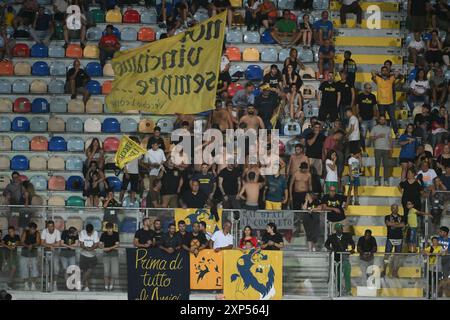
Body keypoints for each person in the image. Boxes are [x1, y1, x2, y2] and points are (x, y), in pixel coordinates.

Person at [371, 66, 402, 136]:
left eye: (386, 71)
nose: (384, 72)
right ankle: (382, 133)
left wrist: (389, 73)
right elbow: (372, 71)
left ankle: (396, 133)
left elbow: (397, 73)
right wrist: (380, 73)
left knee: (393, 118)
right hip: (381, 103)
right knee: (381, 119)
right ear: (381, 71)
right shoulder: (378, 79)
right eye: (383, 70)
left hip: (390, 103)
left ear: (388, 71)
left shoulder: (391, 79)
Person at [325, 223, 355, 296]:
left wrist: (352, 249)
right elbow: (326, 244)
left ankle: (348, 291)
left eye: (341, 228)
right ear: (336, 230)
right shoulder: (332, 237)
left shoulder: (347, 236)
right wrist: (331, 249)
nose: (341, 230)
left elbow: (352, 244)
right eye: (339, 229)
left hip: (345, 257)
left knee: (347, 275)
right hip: (336, 259)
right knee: (338, 276)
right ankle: (339, 291)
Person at [370, 115, 393, 186]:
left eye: (384, 119)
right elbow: (370, 137)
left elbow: (390, 139)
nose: (382, 121)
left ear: (385, 120)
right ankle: (376, 180)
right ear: (379, 120)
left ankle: (386, 180)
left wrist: (391, 148)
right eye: (381, 119)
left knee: (386, 165)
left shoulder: (388, 128)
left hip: (386, 149)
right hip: (378, 149)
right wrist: (378, 136)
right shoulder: (375, 128)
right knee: (377, 165)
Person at [384, 204, 405, 277]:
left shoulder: (402, 217)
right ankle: (384, 269)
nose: (395, 209)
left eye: (396, 208)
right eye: (393, 208)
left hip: (399, 238)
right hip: (390, 238)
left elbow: (403, 225)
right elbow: (388, 223)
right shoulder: (387, 216)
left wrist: (393, 225)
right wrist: (398, 224)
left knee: (398, 256)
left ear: (398, 209)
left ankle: (395, 271)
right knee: (387, 254)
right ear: (391, 209)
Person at [356, 83, 377, 151]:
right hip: (363, 119)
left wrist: (375, 116)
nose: (370, 89)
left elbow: (374, 107)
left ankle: (373, 148)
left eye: (371, 88)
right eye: (369, 88)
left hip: (371, 119)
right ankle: (363, 149)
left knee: (374, 135)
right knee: (363, 136)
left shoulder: (373, 96)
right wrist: (358, 116)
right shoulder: (360, 96)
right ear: (365, 88)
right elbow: (357, 107)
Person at [41, 220, 62, 291]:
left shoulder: (57, 232)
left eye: (51, 226)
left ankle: (55, 283)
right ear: (47, 227)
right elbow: (42, 243)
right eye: (49, 226)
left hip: (55, 252)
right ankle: (48, 284)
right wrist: (51, 246)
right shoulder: (44, 231)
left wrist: (49, 245)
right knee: (47, 269)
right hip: (46, 252)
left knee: (56, 269)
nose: (50, 228)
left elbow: (58, 244)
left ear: (54, 227)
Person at [20, 222, 41, 291]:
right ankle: (25, 284)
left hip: (34, 253)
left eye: (34, 229)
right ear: (29, 228)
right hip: (24, 253)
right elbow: (22, 241)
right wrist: (28, 246)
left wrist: (32, 245)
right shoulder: (25, 232)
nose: (33, 230)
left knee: (34, 269)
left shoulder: (37, 233)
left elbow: (38, 242)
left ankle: (33, 284)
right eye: (31, 229)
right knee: (24, 269)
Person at [99, 222, 119, 291]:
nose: (109, 230)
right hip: (106, 254)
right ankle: (106, 286)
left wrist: (109, 248)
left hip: (114, 254)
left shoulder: (116, 234)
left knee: (113, 271)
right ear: (106, 229)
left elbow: (117, 244)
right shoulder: (103, 234)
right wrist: (102, 247)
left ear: (112, 228)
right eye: (108, 229)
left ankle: (111, 285)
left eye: (110, 229)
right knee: (106, 271)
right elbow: (100, 244)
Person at [79, 224, 99, 292]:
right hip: (84, 254)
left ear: (93, 230)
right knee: (84, 270)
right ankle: (86, 287)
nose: (89, 234)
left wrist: (91, 248)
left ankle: (81, 282)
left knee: (89, 270)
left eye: (90, 233)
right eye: (88, 233)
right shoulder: (82, 233)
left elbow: (96, 244)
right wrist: (86, 248)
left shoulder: (95, 233)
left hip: (92, 255)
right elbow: (81, 243)